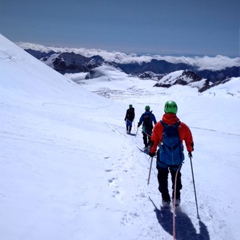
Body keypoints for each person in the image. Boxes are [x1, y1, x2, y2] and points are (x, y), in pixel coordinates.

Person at [149, 100, 194, 207]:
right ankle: (176, 198)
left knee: (162, 177)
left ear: (165, 110)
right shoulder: (183, 126)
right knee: (176, 177)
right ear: (176, 111)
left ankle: (165, 198)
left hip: (163, 158)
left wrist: (152, 151)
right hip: (177, 159)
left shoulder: (159, 126)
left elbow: (154, 140)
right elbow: (189, 140)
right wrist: (189, 150)